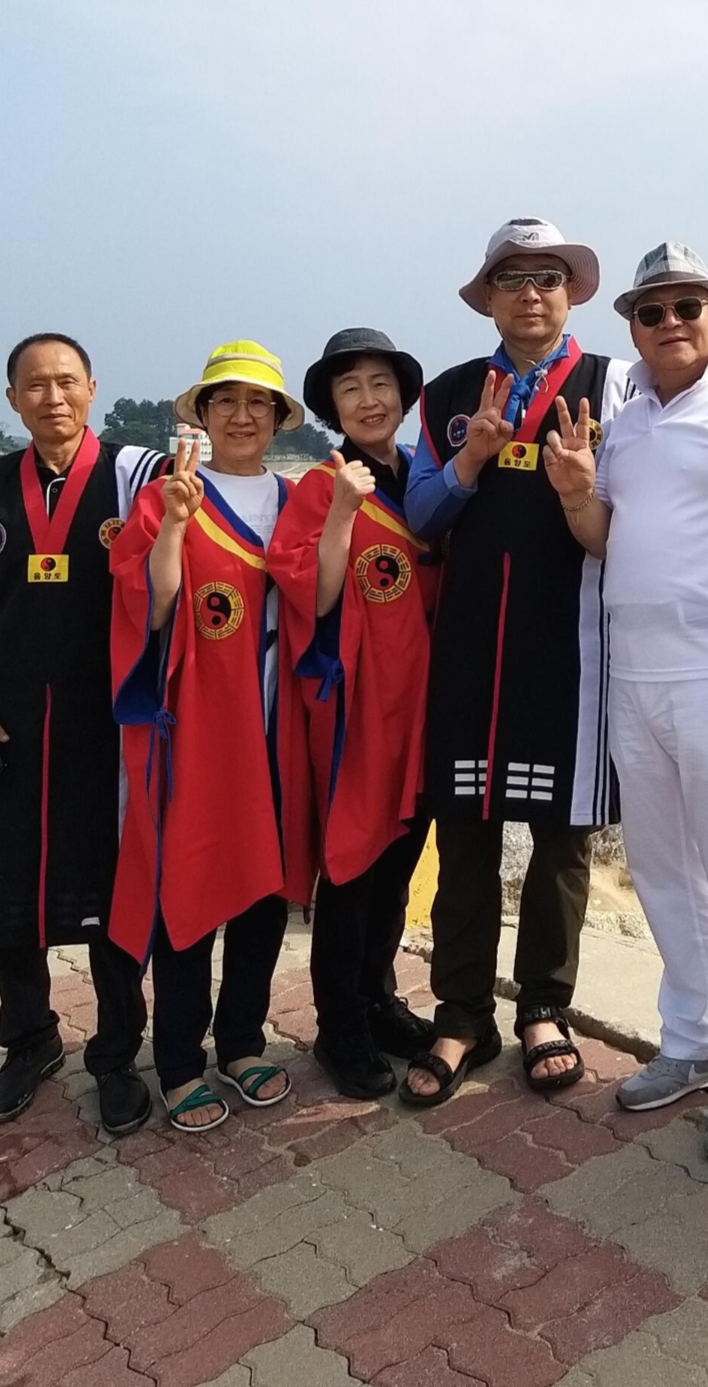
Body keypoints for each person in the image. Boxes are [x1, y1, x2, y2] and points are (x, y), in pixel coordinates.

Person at [543, 242, 708, 1161]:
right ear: (632, 328)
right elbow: (604, 538)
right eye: (651, 311)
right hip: (635, 672)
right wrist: (576, 495)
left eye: (687, 305)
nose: (669, 323)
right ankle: (693, 1037)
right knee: (662, 867)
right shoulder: (625, 423)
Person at [402, 218, 630, 1106]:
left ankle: (543, 1006)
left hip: (574, 645)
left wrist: (583, 488)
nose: (530, 293)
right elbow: (421, 519)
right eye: (512, 278)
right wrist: (470, 457)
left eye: (547, 278)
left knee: (562, 838)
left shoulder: (618, 386)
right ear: (487, 297)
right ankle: (461, 1014)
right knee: (465, 833)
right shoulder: (449, 394)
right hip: (467, 647)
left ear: (571, 294)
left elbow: (644, 519)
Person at [0, 332, 165, 1135]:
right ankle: (30, 1039)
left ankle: (115, 1053)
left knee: (110, 893)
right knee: (6, 887)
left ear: (92, 388)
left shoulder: (133, 481)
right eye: (35, 385)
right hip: (11, 721)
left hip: (106, 722)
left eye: (67, 381)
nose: (53, 397)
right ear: (13, 399)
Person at [109, 341, 317, 1133]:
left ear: (277, 418)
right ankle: (177, 1059)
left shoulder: (297, 498)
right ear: (201, 413)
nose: (241, 415)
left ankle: (241, 1041)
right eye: (224, 400)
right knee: (189, 884)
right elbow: (150, 604)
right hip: (201, 725)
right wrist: (173, 527)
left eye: (258, 402)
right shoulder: (169, 495)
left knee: (266, 884)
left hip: (279, 723)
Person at [269, 328, 439, 1099]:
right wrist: (342, 511)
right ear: (332, 408)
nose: (369, 400)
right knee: (351, 864)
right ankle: (338, 1023)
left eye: (380, 384)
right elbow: (315, 593)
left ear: (403, 396)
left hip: (425, 706)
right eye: (350, 388)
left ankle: (377, 998)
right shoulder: (321, 484)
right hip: (358, 711)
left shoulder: (427, 477)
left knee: (399, 862)